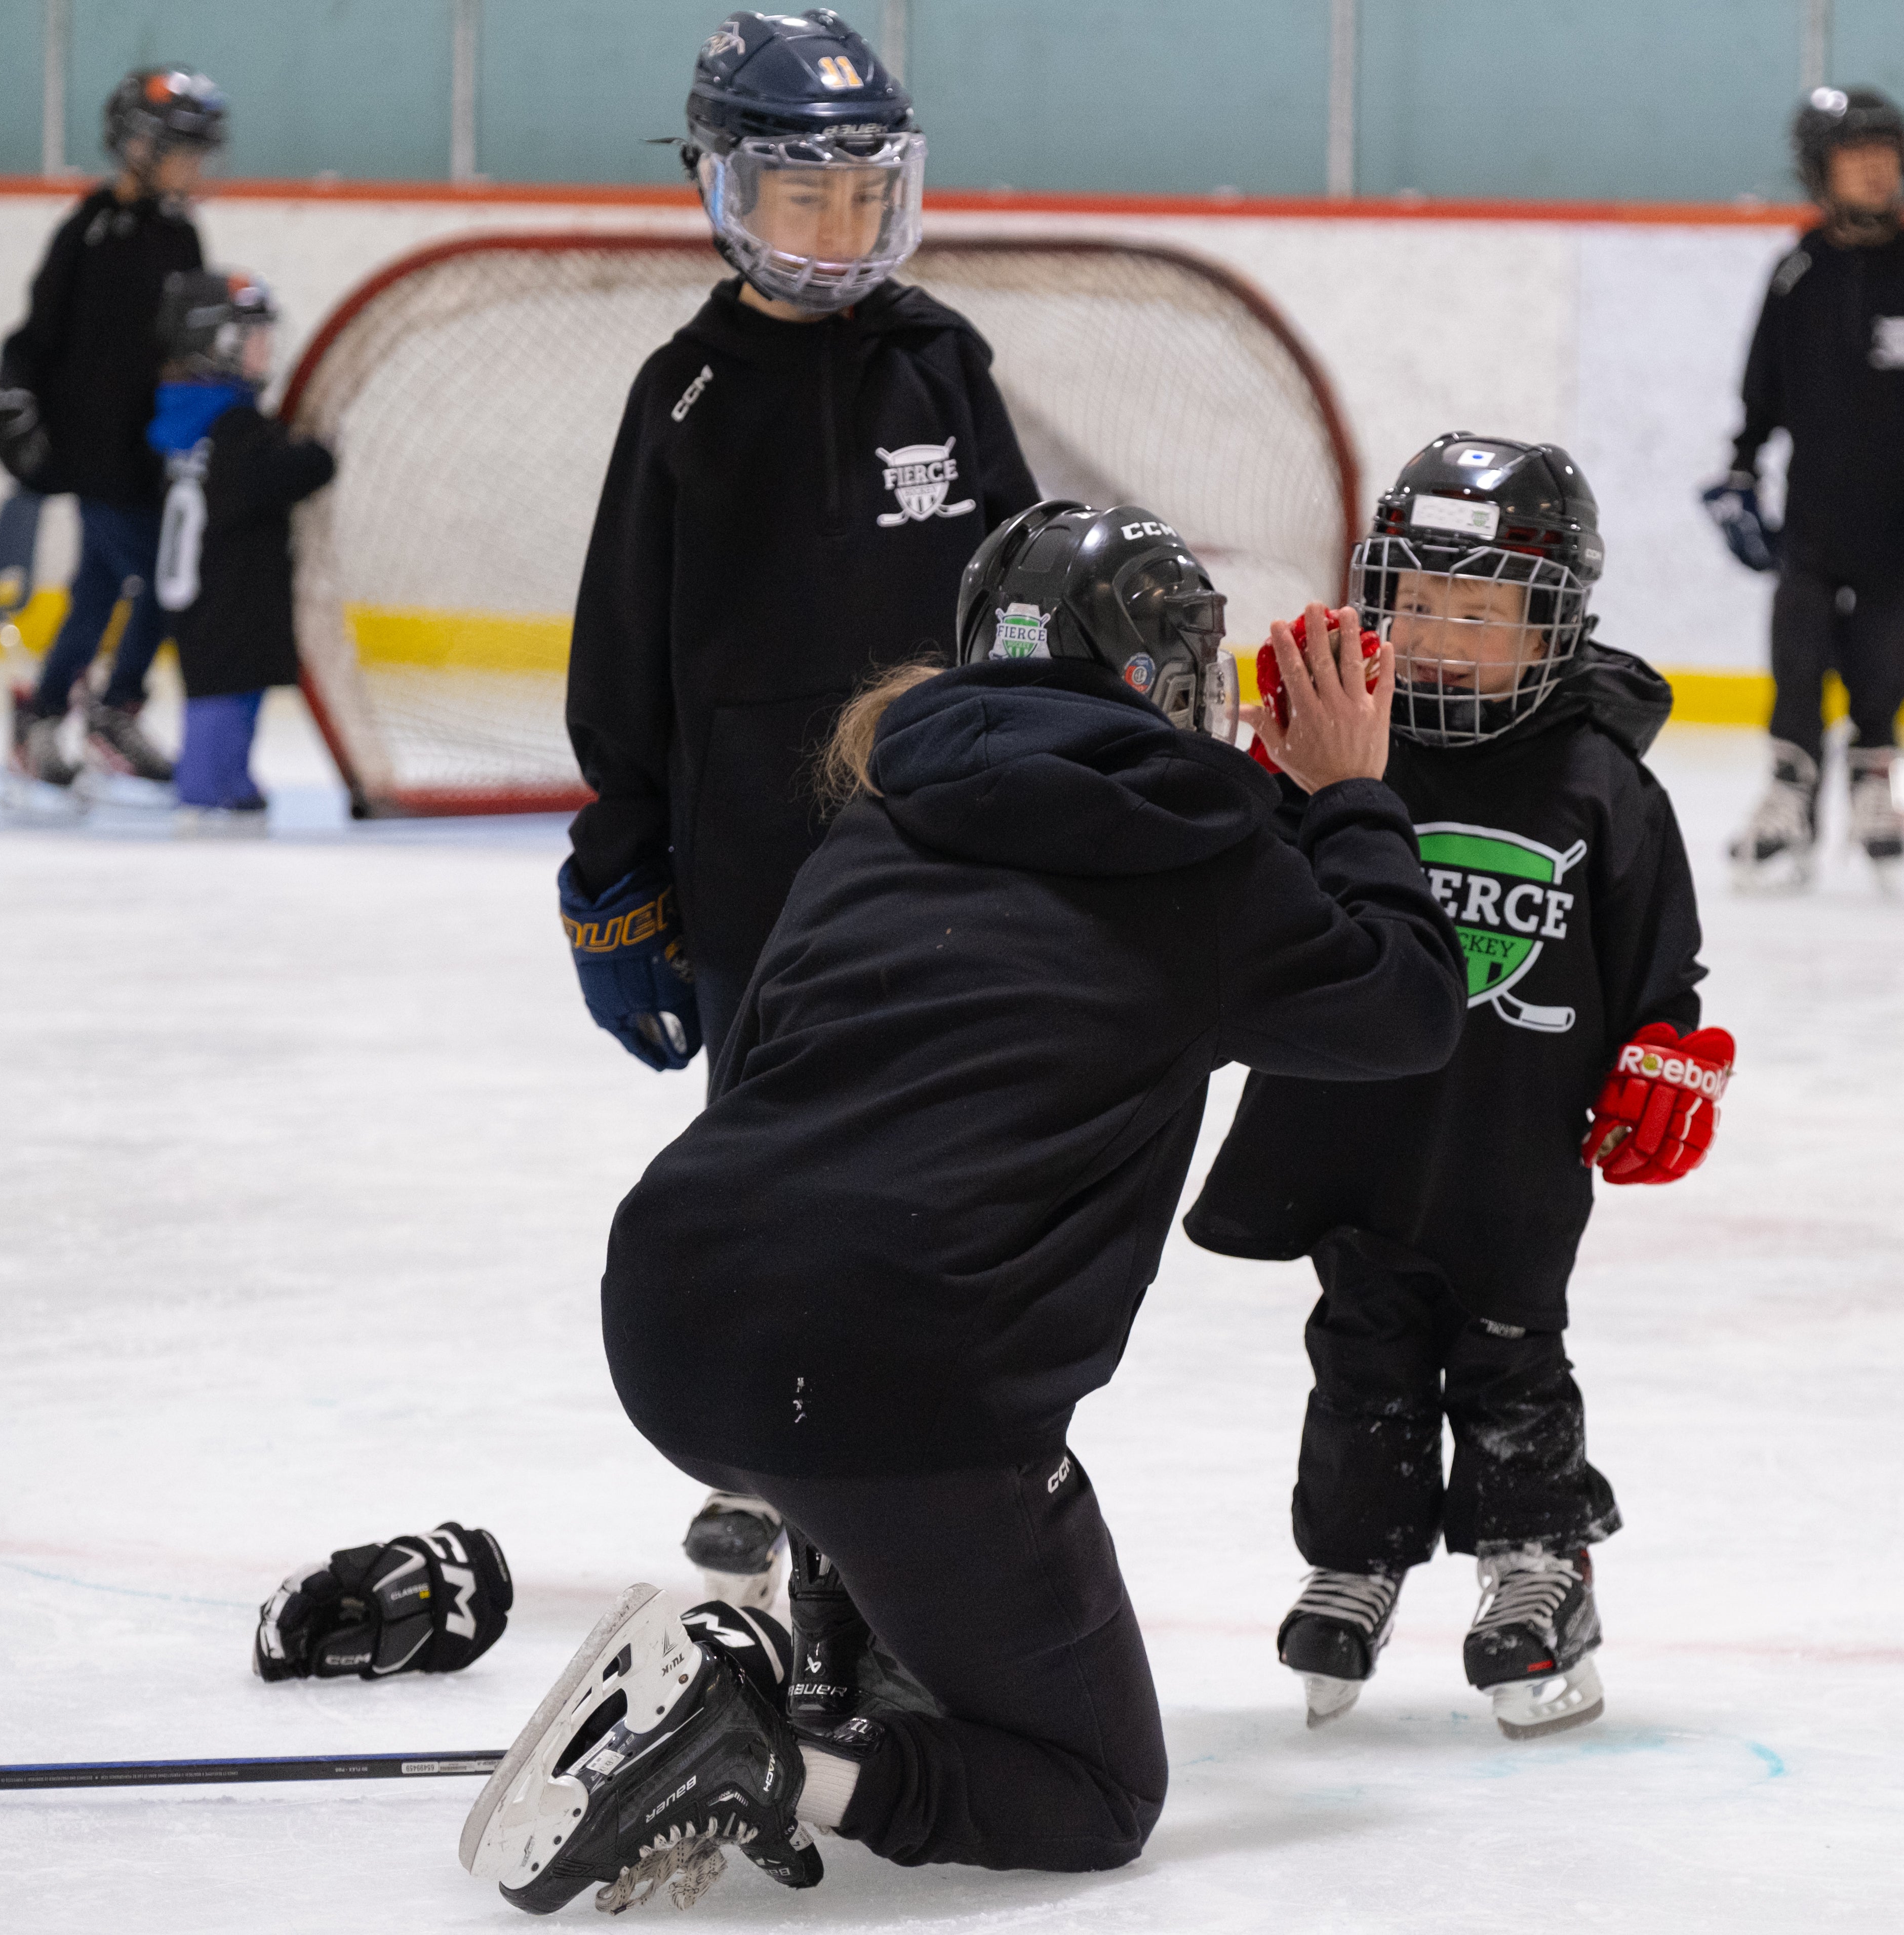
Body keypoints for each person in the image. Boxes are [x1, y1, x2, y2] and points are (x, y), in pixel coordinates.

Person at [461, 501, 1466, 1914]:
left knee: (863, 1261)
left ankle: (831, 1637)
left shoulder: (877, 818)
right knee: (1095, 1789)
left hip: (676, 1328)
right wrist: (1350, 791)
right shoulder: (1205, 859)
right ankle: (766, 1750)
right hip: (899, 1380)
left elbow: (756, 1080)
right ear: (1172, 682)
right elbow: (1406, 1006)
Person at [553, 9, 1039, 1604]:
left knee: (942, 1147)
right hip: (757, 868)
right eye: (798, 195)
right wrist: (616, 865)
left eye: (859, 194)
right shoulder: (683, 396)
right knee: (761, 1161)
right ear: (721, 188)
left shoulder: (941, 363)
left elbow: (1020, 596)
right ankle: (754, 1456)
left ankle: (920, 1427)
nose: (835, 230)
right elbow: (623, 654)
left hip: (938, 844)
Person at [1186, 436, 1731, 1740]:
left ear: (1551, 621)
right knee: (1360, 1348)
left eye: (1478, 611)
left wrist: (1671, 1051)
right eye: (1415, 601)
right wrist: (1257, 777)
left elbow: (1665, 969)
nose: (1435, 636)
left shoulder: (1603, 786)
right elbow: (1249, 905)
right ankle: (1356, 1556)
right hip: (1353, 1134)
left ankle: (1535, 1560)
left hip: (1510, 1142)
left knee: (1507, 1349)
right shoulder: (1341, 754)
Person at [1701, 86, 1904, 890]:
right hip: (1812, 524)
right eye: (1855, 155)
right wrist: (1736, 475)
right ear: (1817, 170)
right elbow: (1758, 400)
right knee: (1795, 664)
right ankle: (1788, 799)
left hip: (1898, 529)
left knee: (1882, 673)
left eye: (1887, 155)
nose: (1875, 171)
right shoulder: (1796, 272)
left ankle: (1877, 790)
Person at [0, 66, 228, 814]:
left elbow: (186, 346)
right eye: (185, 148)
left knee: (96, 592)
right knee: (164, 581)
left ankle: (44, 718)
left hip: (150, 452)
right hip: (91, 454)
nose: (198, 165)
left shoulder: (183, 234)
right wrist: (11, 396)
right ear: (138, 145)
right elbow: (36, 334)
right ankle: (114, 709)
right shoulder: (85, 231)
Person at [144, 270, 337, 836]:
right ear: (217, 343)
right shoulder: (233, 425)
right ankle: (205, 787)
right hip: (228, 585)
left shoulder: (185, 415)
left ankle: (231, 778)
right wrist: (320, 455)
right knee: (223, 687)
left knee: (234, 681)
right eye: (253, 336)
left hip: (207, 583)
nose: (266, 348)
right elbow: (284, 473)